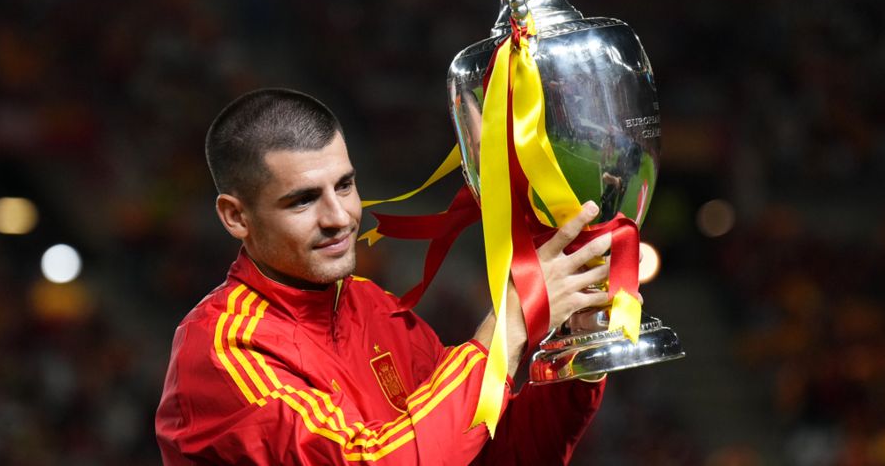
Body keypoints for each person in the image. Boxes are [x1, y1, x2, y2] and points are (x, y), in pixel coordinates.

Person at [155, 88, 615, 465]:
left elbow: (493, 453)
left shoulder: (372, 306)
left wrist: (580, 345)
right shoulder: (222, 351)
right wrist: (510, 321)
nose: (340, 218)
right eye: (302, 200)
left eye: (345, 185)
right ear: (236, 217)